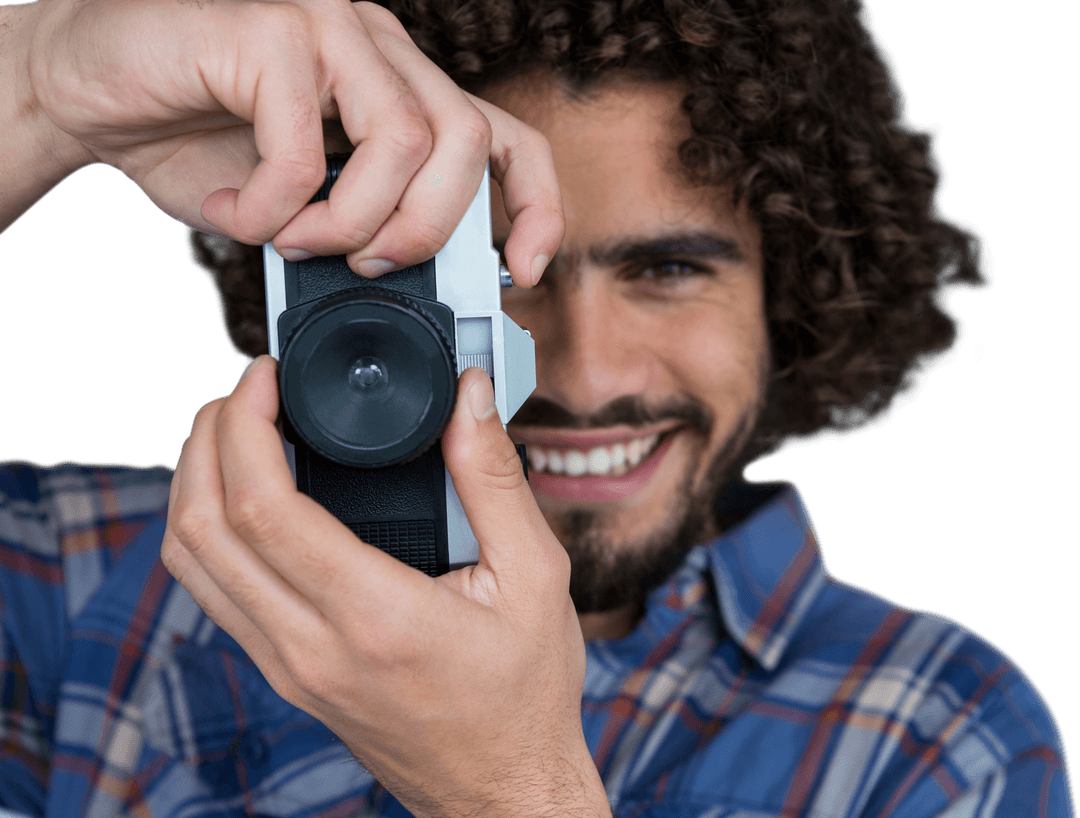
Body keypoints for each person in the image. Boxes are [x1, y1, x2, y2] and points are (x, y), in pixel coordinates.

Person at [0, 0, 1073, 815]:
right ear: (362, 281)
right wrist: (40, 86)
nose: (584, 373)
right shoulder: (90, 577)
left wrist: (510, 784)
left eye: (666, 268)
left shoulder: (936, 729)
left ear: (785, 293)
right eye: (510, 273)